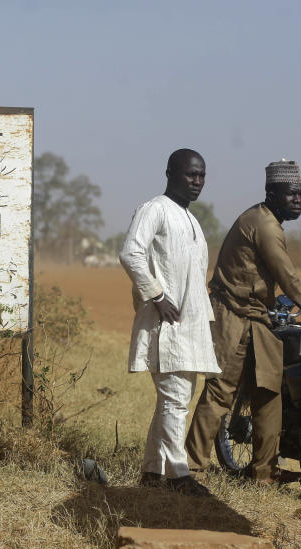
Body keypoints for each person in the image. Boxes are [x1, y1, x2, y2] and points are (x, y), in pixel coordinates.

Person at [185, 160, 301, 485]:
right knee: (220, 391)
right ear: (272, 193)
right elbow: (289, 279)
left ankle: (264, 474)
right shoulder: (263, 225)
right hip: (233, 315)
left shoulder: (268, 221)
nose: (298, 199)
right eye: (291, 193)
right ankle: (193, 471)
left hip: (258, 318)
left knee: (268, 394)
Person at [119, 148, 221, 496]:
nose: (198, 182)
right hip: (166, 325)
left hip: (189, 326)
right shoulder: (155, 209)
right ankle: (179, 476)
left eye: (202, 175)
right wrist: (157, 296)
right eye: (191, 174)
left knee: (174, 399)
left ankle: (151, 472)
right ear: (170, 173)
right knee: (175, 398)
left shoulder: (191, 220)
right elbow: (130, 252)